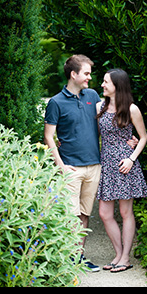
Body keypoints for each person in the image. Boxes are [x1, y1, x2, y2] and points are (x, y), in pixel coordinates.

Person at [44, 54, 105, 272]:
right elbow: (49, 136)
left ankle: (78, 258)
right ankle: (67, 258)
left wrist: (129, 137)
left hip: (93, 165)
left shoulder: (93, 95)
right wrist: (60, 165)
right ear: (73, 74)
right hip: (70, 167)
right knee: (70, 215)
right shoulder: (55, 102)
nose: (90, 77)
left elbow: (107, 122)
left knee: (84, 214)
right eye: (86, 73)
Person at [95, 68, 147, 273]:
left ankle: (125, 257)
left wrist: (131, 158)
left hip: (125, 165)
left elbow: (143, 137)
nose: (102, 85)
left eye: (106, 82)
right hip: (107, 165)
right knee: (104, 213)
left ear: (117, 86)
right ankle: (118, 254)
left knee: (126, 212)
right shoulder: (101, 106)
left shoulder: (132, 109)